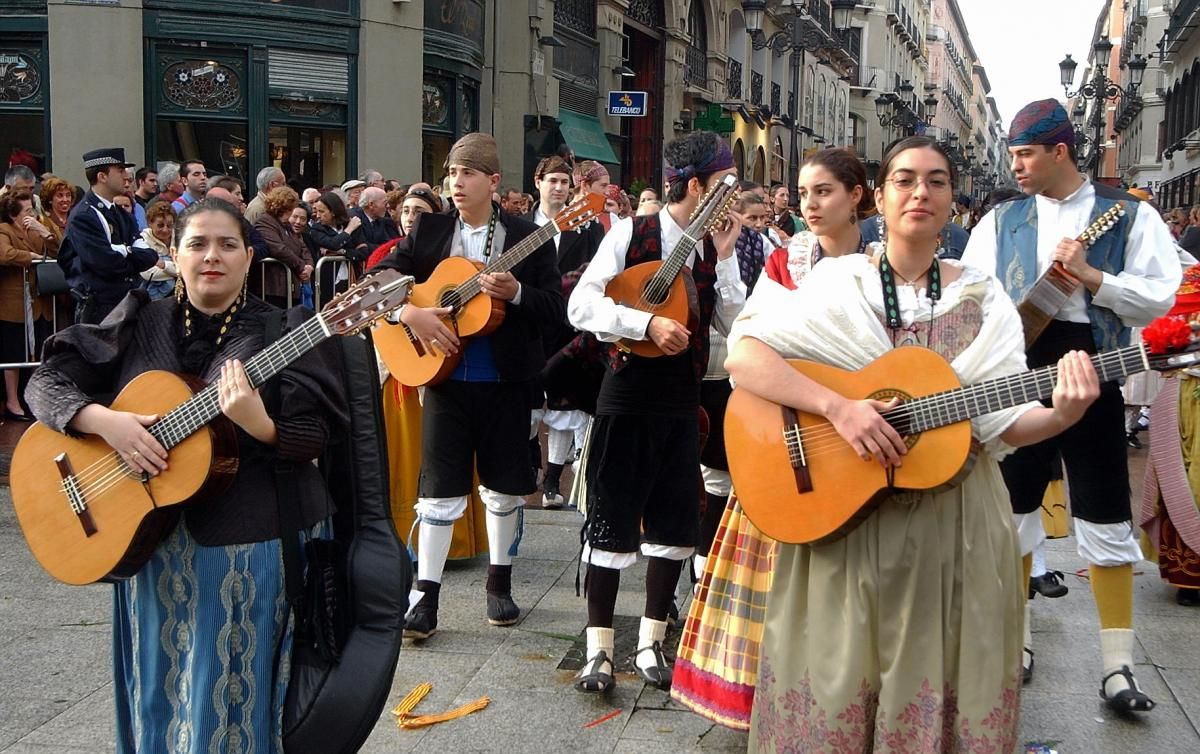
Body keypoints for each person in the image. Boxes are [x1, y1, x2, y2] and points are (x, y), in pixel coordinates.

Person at [726, 135, 1100, 749]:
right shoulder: (838, 283)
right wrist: (839, 409)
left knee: (943, 665)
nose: (919, 192)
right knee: (836, 673)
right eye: (903, 179)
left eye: (936, 181)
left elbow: (1004, 425)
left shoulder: (984, 300)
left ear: (954, 201)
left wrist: (1063, 415)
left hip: (952, 527)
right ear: (878, 196)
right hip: (841, 518)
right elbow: (746, 358)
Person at [27, 197, 348, 753]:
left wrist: (264, 426)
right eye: (197, 244)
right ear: (174, 255)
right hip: (149, 540)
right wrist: (105, 423)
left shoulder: (281, 329)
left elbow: (318, 433)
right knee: (157, 687)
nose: (212, 257)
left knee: (228, 693)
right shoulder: (139, 319)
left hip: (245, 540)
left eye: (227, 245)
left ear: (250, 258)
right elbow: (45, 384)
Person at [962, 99, 1182, 710]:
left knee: (1107, 510)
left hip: (1097, 366)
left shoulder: (1129, 217)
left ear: (1060, 151)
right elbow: (972, 301)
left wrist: (1092, 277)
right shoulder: (999, 221)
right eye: (1011, 154)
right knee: (1013, 512)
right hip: (1016, 370)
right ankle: (1018, 644)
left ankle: (1118, 669)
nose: (1016, 166)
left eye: (1026, 154)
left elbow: (1160, 297)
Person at [673, 146, 875, 730]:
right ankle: (776, 697)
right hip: (796, 430)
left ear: (857, 195)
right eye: (805, 193)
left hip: (859, 436)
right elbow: (747, 346)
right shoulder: (789, 260)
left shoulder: (885, 262)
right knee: (777, 574)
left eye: (825, 192)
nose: (810, 204)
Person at [566, 130, 746, 694]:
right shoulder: (630, 233)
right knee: (611, 515)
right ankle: (598, 650)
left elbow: (734, 324)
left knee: (674, 521)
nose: (731, 198)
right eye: (723, 186)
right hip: (625, 393)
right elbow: (581, 304)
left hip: (680, 399)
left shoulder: (715, 247)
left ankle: (650, 641)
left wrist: (727, 256)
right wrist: (645, 323)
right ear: (697, 187)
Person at [372, 132, 564, 639]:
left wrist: (519, 293)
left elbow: (558, 312)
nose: (456, 183)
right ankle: (423, 598)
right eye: (452, 173)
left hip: (505, 381)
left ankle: (499, 584)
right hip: (443, 378)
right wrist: (410, 310)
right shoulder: (431, 231)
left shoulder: (529, 236)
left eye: (468, 173)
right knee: (438, 492)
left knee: (503, 490)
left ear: (494, 181)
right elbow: (383, 276)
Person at [524, 155, 603, 507]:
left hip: (567, 328)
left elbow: (597, 275)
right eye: (551, 181)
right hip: (526, 324)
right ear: (537, 182)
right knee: (526, 406)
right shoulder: (518, 226)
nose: (558, 188)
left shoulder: (586, 226)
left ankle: (553, 480)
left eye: (563, 182)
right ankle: (528, 463)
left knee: (564, 409)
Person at [1141, 264, 1200, 607]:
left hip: (1180, 389)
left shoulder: (1184, 282)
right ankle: (1188, 578)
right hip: (1183, 391)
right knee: (1181, 478)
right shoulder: (1186, 282)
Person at [58, 148, 158, 324]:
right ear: (102, 177)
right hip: (102, 307)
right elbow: (104, 262)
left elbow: (150, 255)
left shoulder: (121, 214)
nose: (126, 176)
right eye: (119, 170)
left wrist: (124, 251)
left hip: (128, 301)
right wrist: (131, 253)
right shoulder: (84, 216)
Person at [0, 188, 58, 419]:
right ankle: (13, 402)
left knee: (37, 353)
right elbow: (5, 254)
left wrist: (45, 232)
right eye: (27, 210)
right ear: (14, 215)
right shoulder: (4, 230)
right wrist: (32, 258)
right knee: (14, 353)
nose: (32, 214)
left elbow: (60, 249)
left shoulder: (38, 230)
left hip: (40, 302)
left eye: (32, 209)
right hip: (13, 303)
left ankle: (34, 398)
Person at [253, 186, 313, 309]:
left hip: (291, 287)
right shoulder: (265, 222)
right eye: (290, 209)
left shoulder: (285, 225)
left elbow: (303, 247)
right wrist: (301, 266)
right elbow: (279, 249)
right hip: (273, 288)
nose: (292, 213)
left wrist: (309, 266)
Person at [137, 201, 178, 300]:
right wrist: (176, 271)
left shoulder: (179, 239)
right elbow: (146, 273)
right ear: (150, 223)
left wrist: (164, 265)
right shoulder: (142, 241)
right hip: (153, 298)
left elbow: (187, 268)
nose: (165, 230)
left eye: (169, 225)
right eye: (160, 225)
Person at [38, 175, 76, 246]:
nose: (65, 200)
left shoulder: (76, 220)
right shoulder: (43, 222)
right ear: (50, 199)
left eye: (68, 195)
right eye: (60, 195)